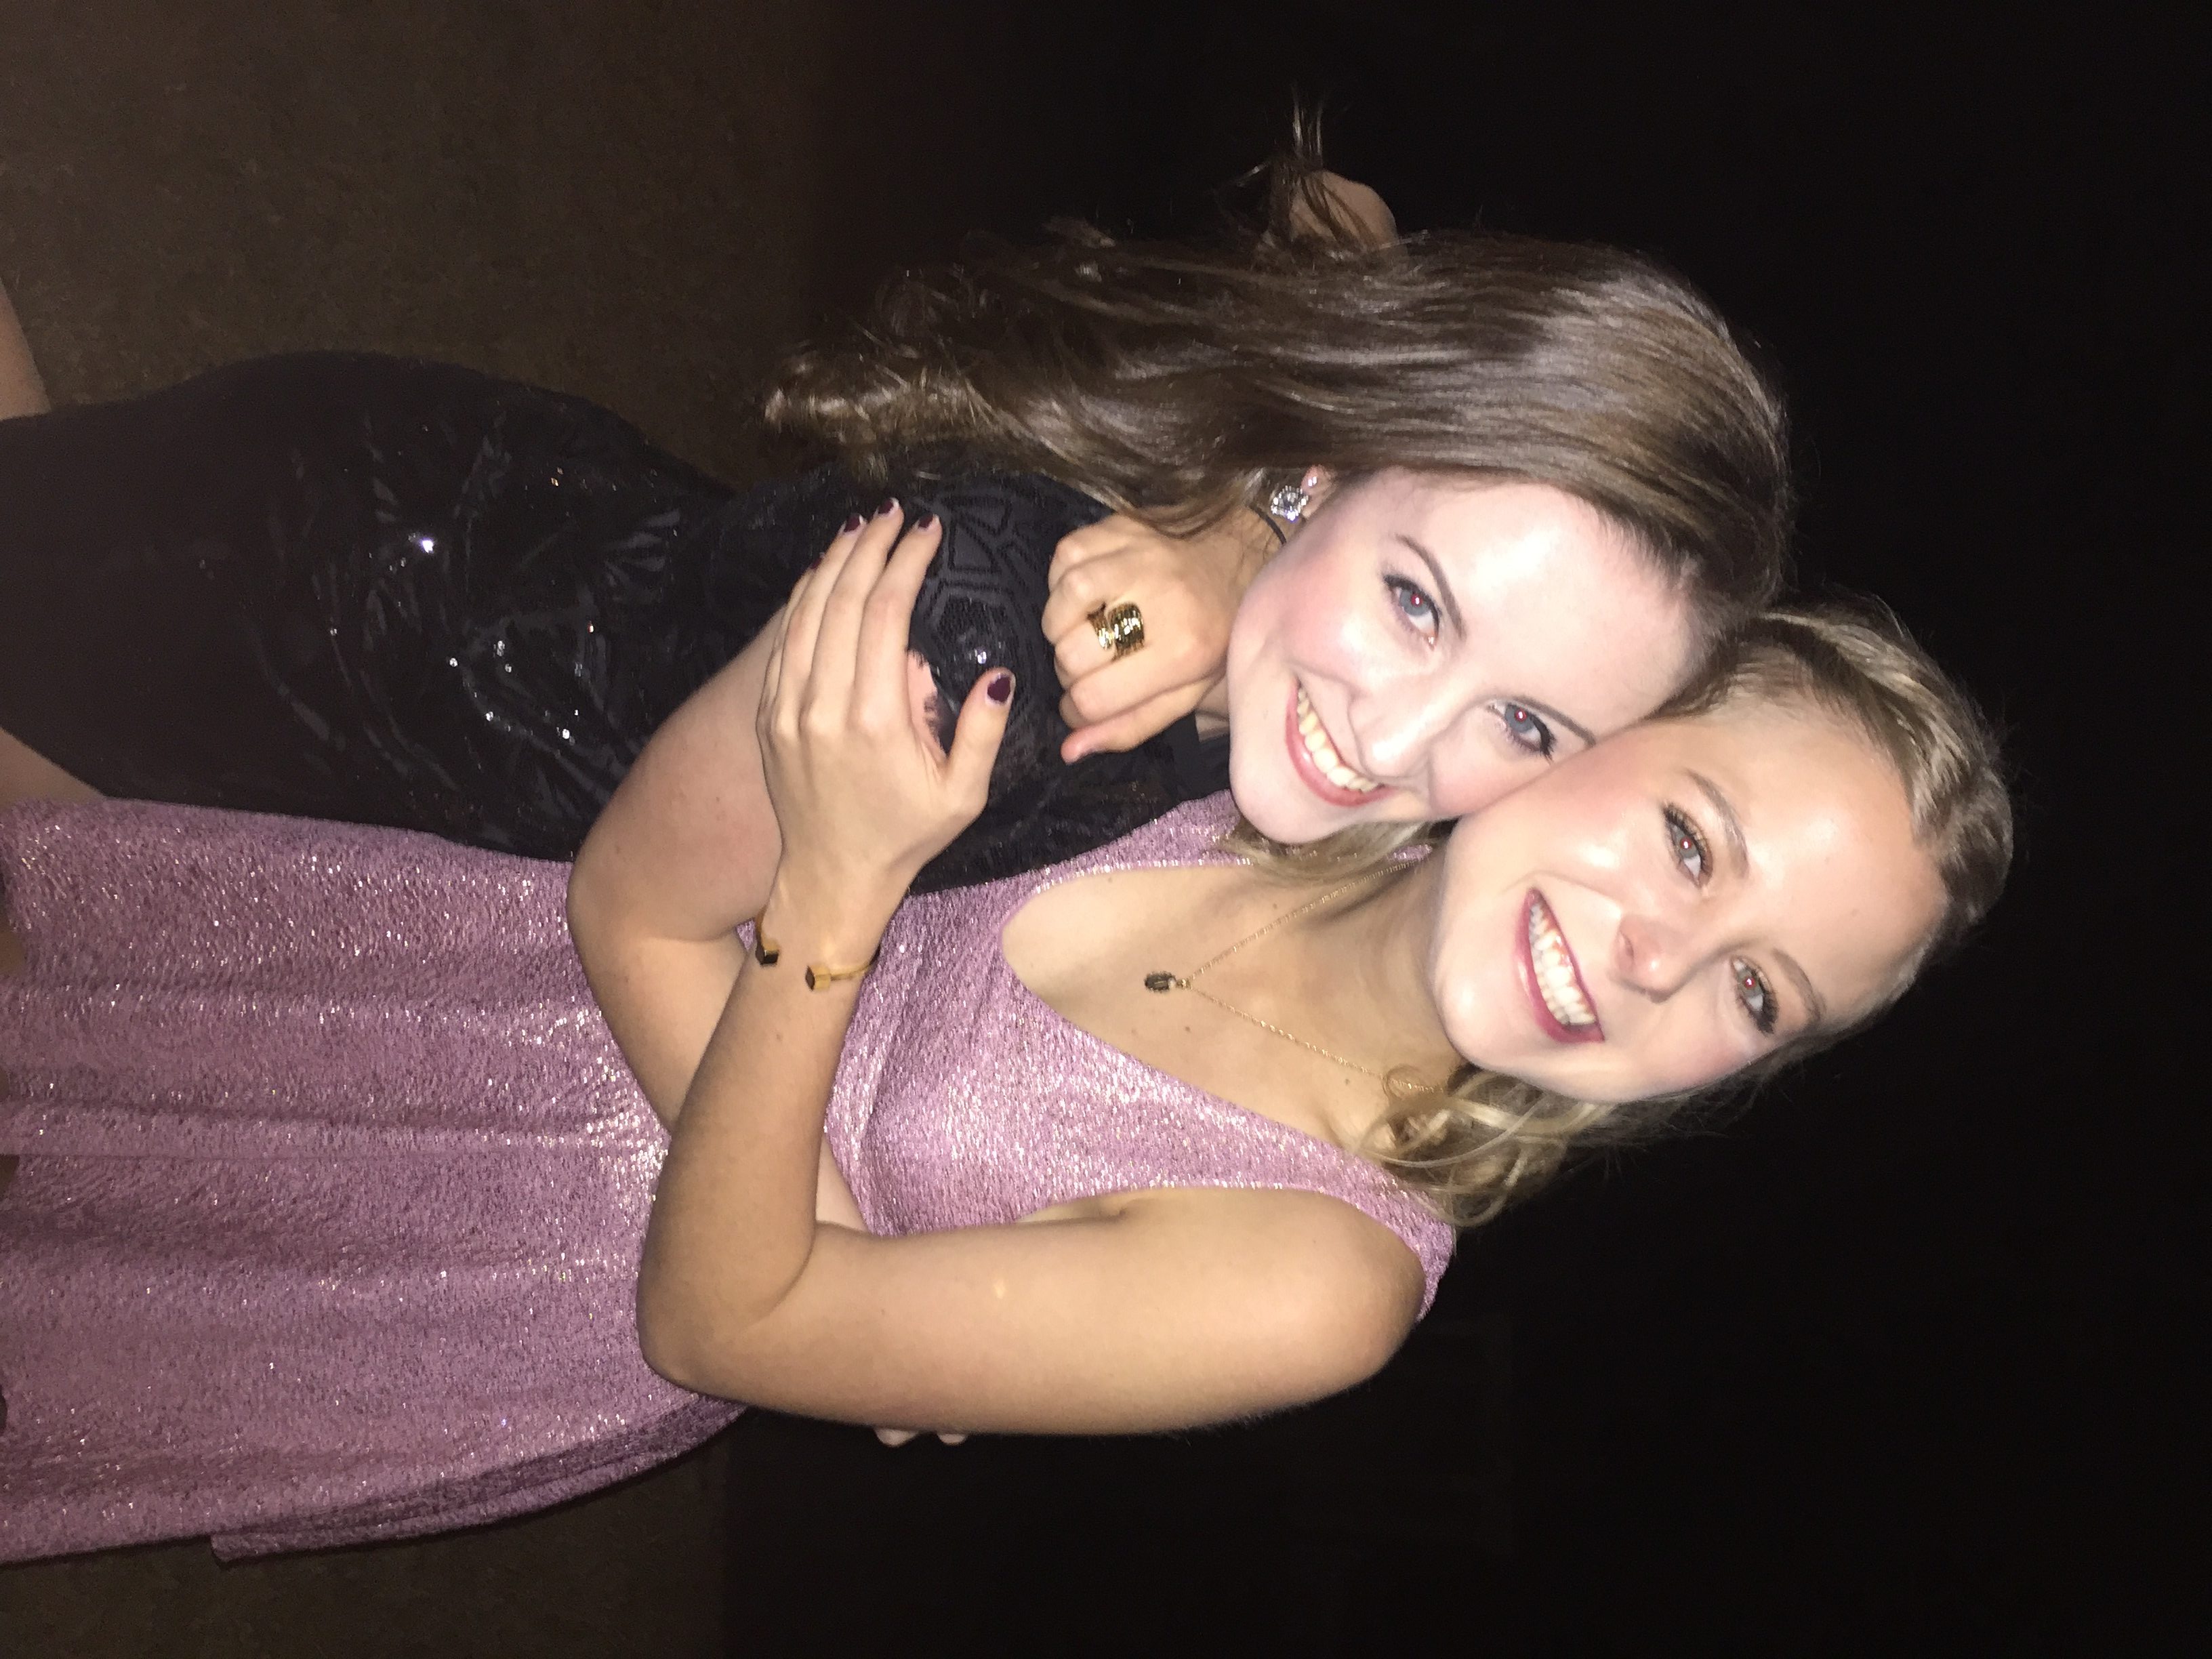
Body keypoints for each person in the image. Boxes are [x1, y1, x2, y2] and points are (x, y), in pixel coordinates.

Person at [0, 508, 2011, 1563]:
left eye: (1760, 993)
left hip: (484, 1281)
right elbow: (1356, 333)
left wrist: (834, 900)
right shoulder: (1301, 776)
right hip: (492, 960)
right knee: (76, 956)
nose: (1661, 955)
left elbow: (719, 1322)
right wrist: (1241, 531)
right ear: (1586, 718)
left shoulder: (1322, 1277)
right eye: (1694, 838)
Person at [0, 151, 1790, 885]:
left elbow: (1347, 227)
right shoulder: (1033, 641)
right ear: (1343, 467)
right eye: (1415, 603)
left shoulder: (1268, 645)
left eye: (1529, 725)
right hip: (349, 597)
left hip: (502, 588)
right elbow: (1341, 234)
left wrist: (1257, 526)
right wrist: (1243, 522)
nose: (1399, 739)